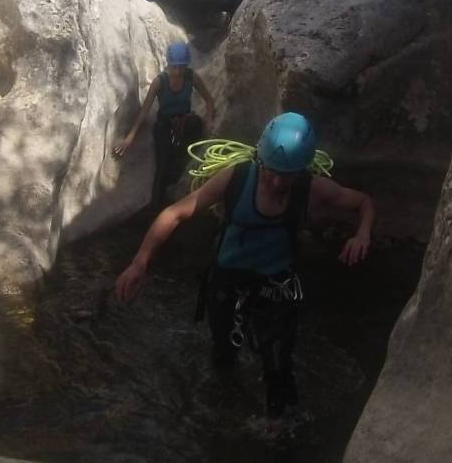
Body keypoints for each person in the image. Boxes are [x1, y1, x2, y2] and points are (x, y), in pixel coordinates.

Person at [115, 112, 375, 420]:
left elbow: (362, 203)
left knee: (278, 366)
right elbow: (174, 214)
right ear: (260, 160)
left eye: (287, 175)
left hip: (275, 284)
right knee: (223, 357)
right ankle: (223, 414)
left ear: (301, 169)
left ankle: (276, 428)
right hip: (227, 281)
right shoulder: (236, 179)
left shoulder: (312, 188)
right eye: (271, 172)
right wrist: (139, 263)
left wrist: (362, 234)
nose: (278, 181)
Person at [113, 42, 214, 211]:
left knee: (192, 129)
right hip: (165, 125)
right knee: (163, 163)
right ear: (169, 64)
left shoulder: (191, 77)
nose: (177, 71)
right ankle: (156, 208)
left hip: (184, 122)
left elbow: (209, 100)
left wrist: (208, 119)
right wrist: (129, 138)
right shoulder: (160, 82)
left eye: (181, 67)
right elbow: (145, 111)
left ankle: (179, 185)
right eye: (174, 67)